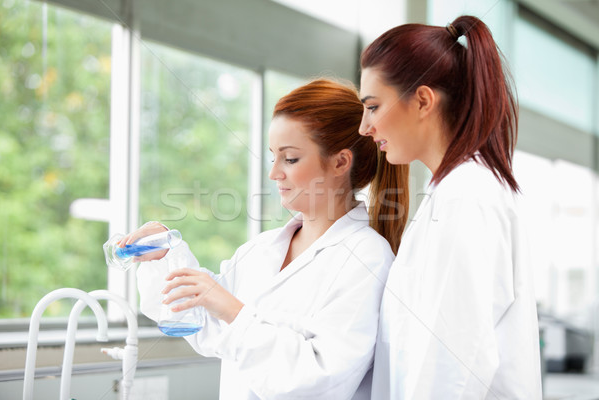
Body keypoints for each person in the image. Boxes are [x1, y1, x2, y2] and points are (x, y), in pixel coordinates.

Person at [123, 79, 410, 399]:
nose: (273, 173)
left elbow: (319, 380)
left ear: (340, 162)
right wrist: (167, 256)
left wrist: (232, 310)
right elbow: (203, 326)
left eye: (289, 159)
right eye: (272, 156)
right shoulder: (261, 250)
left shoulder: (368, 258)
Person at [358, 16, 542, 399]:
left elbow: (451, 364)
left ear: (423, 100)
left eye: (373, 107)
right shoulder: (455, 192)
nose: (364, 127)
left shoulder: (466, 197)